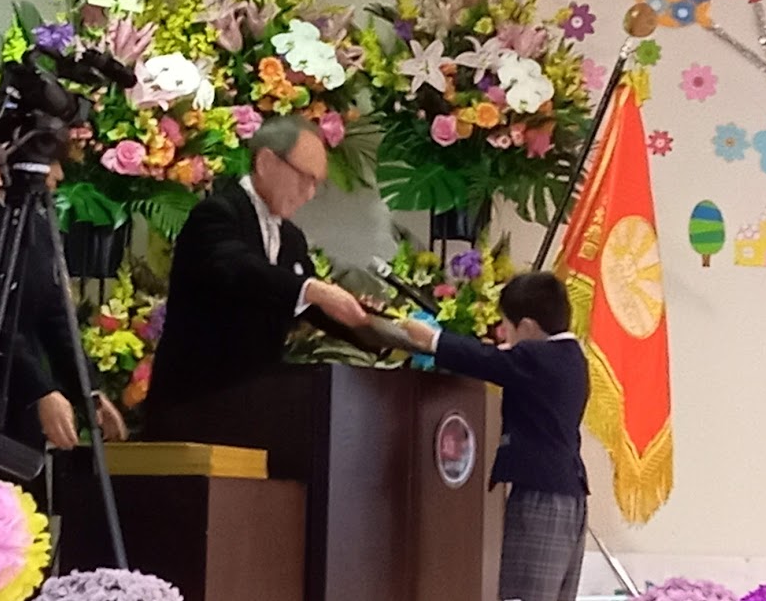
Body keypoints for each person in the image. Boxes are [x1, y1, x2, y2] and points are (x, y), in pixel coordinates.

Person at [146, 114, 370, 410]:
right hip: (194, 404)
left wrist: (384, 330)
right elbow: (239, 268)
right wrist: (314, 289)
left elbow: (312, 306)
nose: (309, 193)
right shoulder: (217, 213)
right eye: (305, 178)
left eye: (317, 184)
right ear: (266, 162)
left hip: (255, 407)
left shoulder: (291, 238)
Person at [403, 272, 589, 601]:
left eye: (506, 325)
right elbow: (505, 360)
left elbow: (488, 361)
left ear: (527, 326)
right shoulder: (570, 357)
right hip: (568, 494)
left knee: (523, 595)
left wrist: (433, 340)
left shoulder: (539, 359)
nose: (504, 334)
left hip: (541, 497)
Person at [0, 159, 128, 454]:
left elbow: (55, 316)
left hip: (17, 411)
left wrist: (88, 392)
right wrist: (39, 389)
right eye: (52, 161)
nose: (59, 174)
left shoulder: (36, 225)